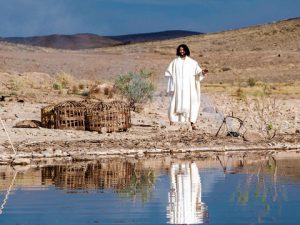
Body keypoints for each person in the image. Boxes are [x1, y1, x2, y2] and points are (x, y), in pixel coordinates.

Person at [165, 44, 208, 130]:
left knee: (192, 103)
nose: (181, 51)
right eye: (180, 50)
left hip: (189, 88)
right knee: (175, 103)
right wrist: (172, 82)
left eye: (183, 49)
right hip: (178, 88)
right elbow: (168, 73)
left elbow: (198, 74)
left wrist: (203, 72)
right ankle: (172, 121)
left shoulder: (192, 63)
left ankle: (192, 123)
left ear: (186, 50)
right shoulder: (174, 62)